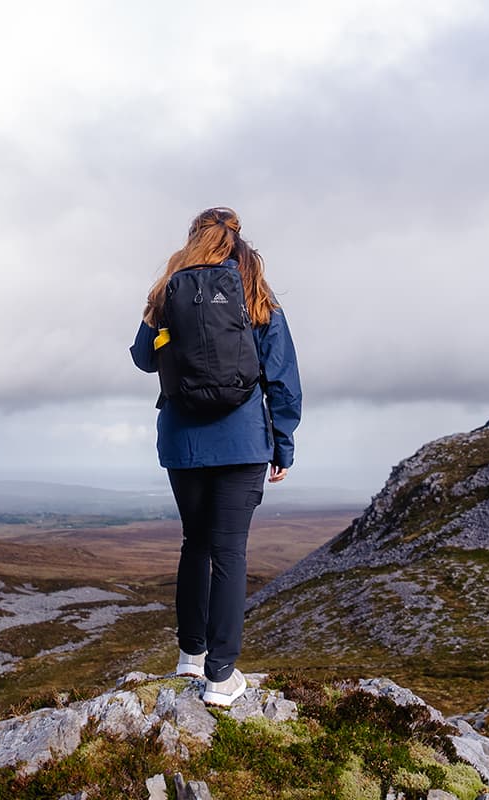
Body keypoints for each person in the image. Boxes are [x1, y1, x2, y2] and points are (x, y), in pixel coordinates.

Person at [129, 206, 302, 707]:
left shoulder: (168, 292)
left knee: (195, 544)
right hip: (242, 442)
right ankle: (221, 679)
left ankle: (191, 655)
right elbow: (282, 378)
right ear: (237, 240)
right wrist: (282, 443)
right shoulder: (255, 294)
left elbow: (143, 358)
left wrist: (155, 311)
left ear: (193, 238)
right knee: (229, 554)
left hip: (183, 445)